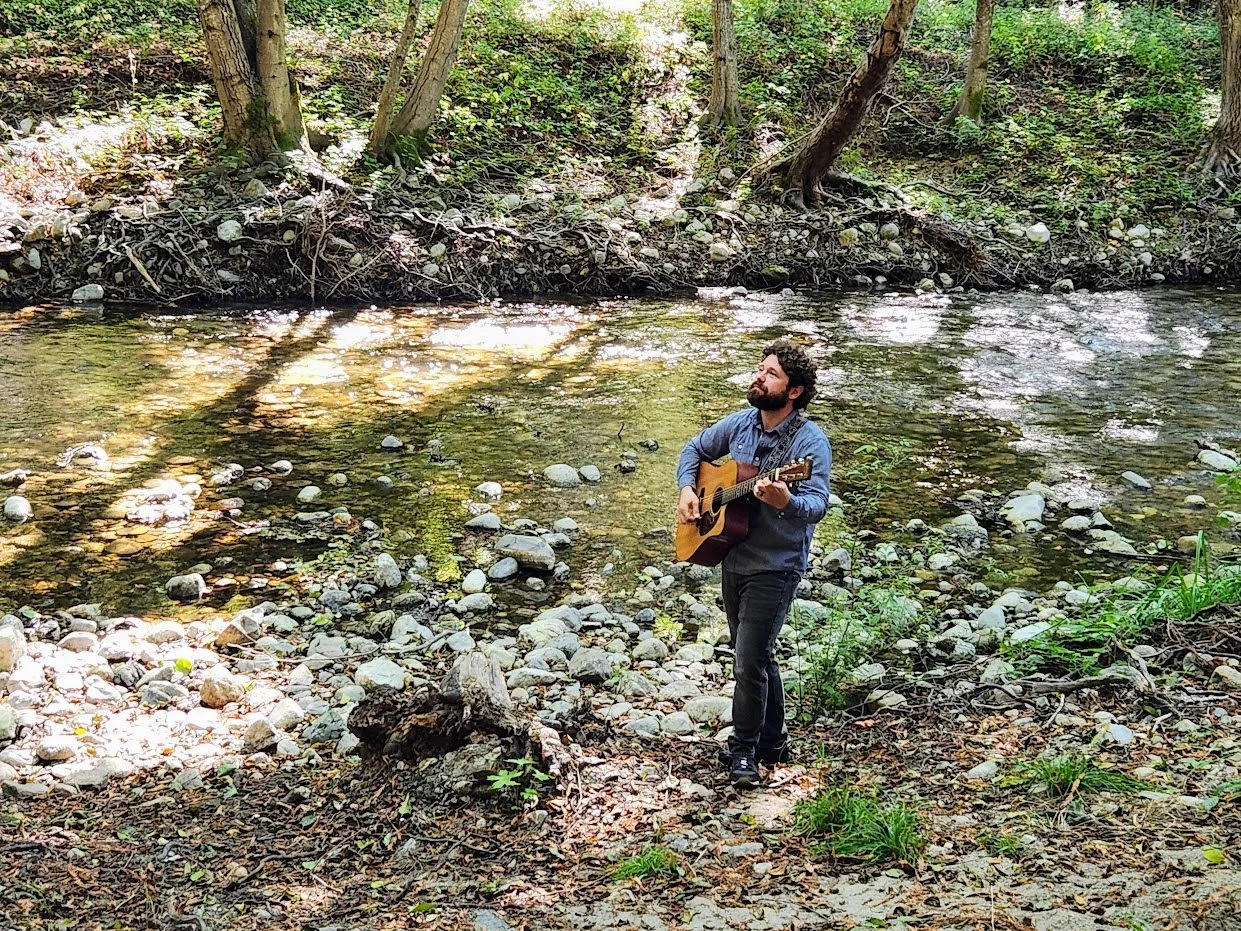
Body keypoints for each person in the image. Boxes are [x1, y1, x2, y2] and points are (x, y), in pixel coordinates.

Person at [676, 340, 832, 789]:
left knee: (747, 661)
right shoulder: (741, 423)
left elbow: (817, 504)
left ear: (795, 391)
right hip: (733, 554)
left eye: (772, 374)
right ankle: (773, 741)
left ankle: (743, 752)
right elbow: (693, 450)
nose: (760, 377)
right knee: (758, 654)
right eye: (761, 369)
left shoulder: (809, 443)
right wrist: (690, 490)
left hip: (777, 564)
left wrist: (785, 500)